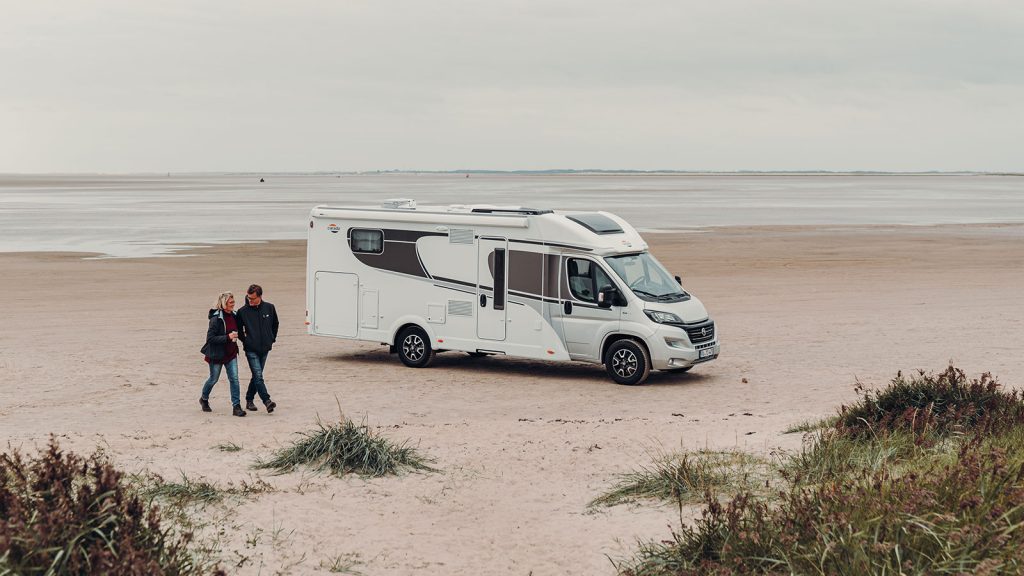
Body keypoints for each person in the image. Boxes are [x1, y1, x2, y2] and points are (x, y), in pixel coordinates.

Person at [199, 292, 246, 417]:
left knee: (234, 379)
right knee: (213, 379)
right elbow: (210, 339)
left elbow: (240, 331)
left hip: (231, 353)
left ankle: (236, 407)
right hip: (217, 355)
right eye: (230, 302)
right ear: (224, 303)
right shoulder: (216, 319)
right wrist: (227, 337)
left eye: (233, 302)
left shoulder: (235, 315)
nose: (233, 304)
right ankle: (204, 399)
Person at [236, 284, 279, 413]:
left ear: (259, 296)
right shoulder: (242, 311)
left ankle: (249, 399)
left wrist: (271, 338)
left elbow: (275, 324)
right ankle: (267, 401)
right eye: (249, 298)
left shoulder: (269, 308)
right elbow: (239, 330)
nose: (250, 300)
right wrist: (247, 341)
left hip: (265, 348)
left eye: (253, 298)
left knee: (256, 376)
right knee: (258, 376)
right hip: (251, 349)